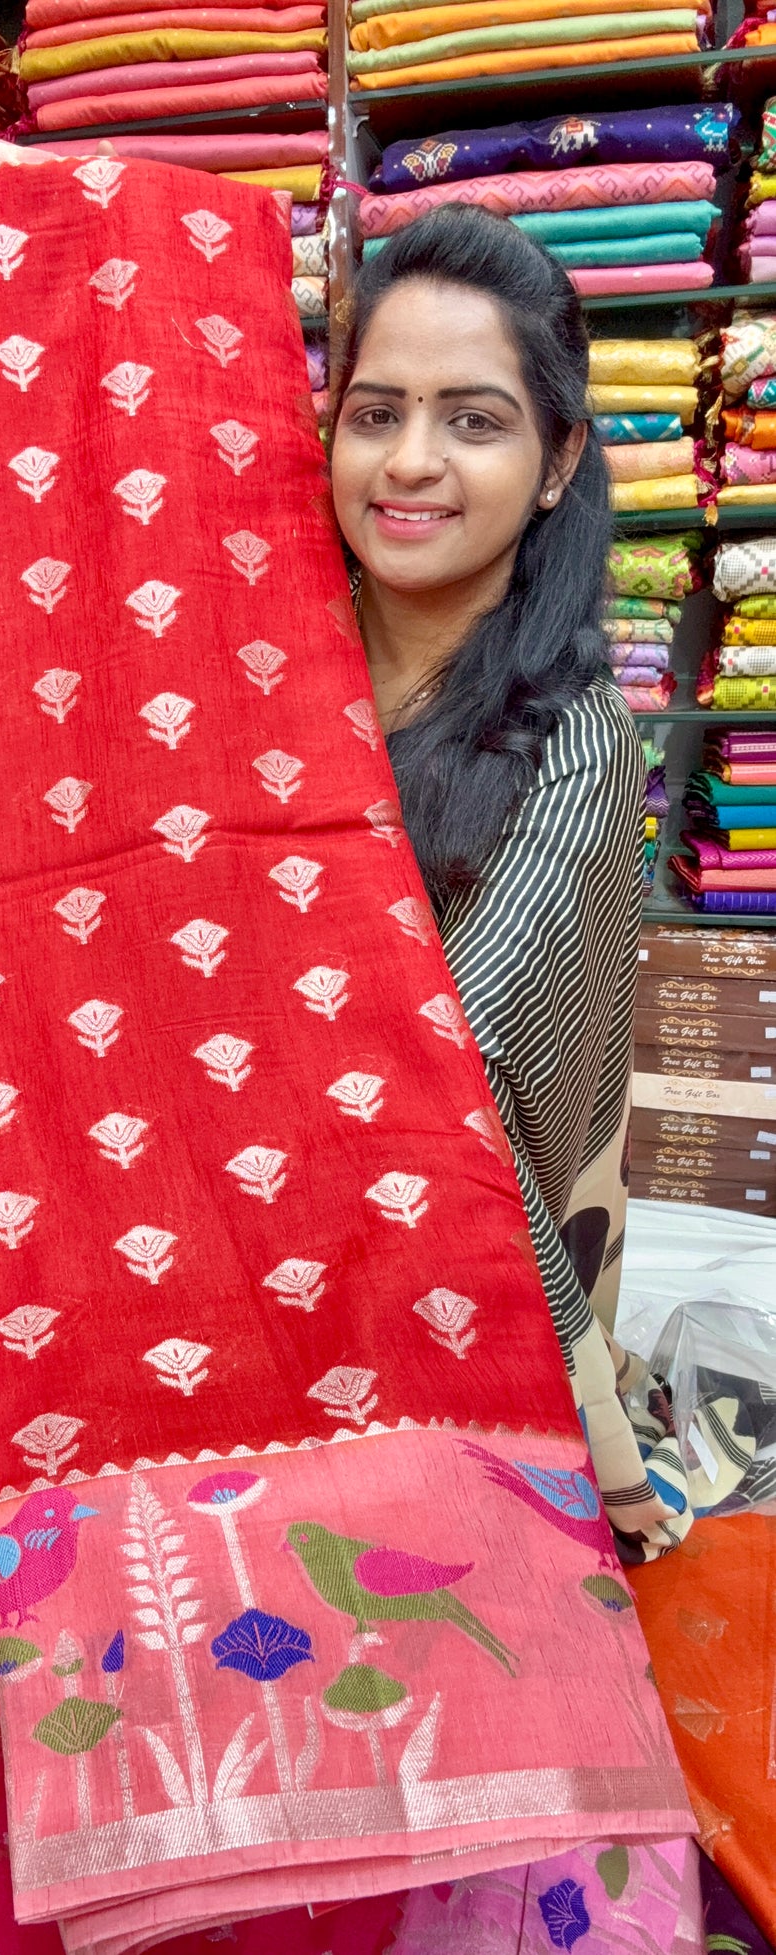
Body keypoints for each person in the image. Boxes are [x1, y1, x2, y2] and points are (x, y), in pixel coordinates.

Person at [330, 203, 688, 1560]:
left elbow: (443, 1075)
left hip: (451, 1282)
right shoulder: (272, 664)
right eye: (376, 413)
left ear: (558, 462)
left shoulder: (574, 746)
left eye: (473, 421)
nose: (410, 462)